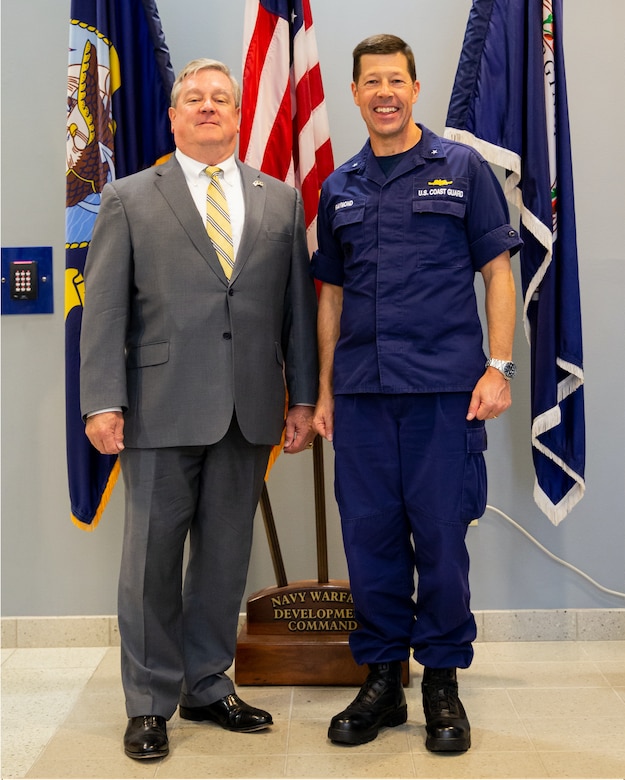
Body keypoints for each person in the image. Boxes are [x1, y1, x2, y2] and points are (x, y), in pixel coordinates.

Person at [80, 58, 318, 760]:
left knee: (222, 558)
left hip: (248, 410)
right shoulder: (128, 197)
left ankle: (208, 685)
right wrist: (101, 400)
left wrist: (300, 395)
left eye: (221, 98)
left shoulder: (279, 199)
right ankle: (149, 702)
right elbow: (102, 312)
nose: (208, 107)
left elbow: (295, 313)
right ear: (174, 116)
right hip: (156, 406)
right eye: (194, 99)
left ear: (240, 116)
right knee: (150, 562)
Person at [311, 34, 522, 752]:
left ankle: (440, 681)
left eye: (395, 79)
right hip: (363, 398)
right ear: (355, 93)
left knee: (438, 542)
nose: (384, 92)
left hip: (442, 394)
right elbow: (330, 297)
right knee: (369, 544)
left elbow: (497, 270)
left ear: (414, 87)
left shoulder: (461, 168)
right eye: (370, 81)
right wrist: (323, 390)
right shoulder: (338, 185)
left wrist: (499, 365)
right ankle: (379, 679)